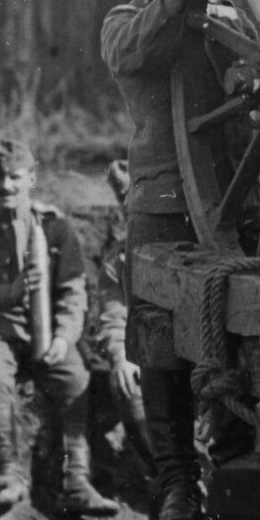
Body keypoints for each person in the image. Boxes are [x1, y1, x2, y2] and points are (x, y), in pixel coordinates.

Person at [101, 0, 257, 520]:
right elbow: (131, 53)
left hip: (233, 199)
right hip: (162, 203)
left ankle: (238, 472)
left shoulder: (231, 15)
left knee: (236, 335)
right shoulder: (126, 20)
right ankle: (177, 482)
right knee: (160, 345)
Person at [0, 137, 118, 518]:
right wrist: (11, 292)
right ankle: (8, 473)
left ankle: (76, 481)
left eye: (14, 177)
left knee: (76, 379)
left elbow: (74, 291)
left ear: (31, 178)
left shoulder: (56, 229)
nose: (6, 186)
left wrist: (64, 337)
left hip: (48, 333)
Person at [89, 159, 155, 473]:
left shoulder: (198, 242)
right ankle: (171, 476)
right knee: (126, 383)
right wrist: (120, 356)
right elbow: (114, 317)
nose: (131, 206)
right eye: (125, 200)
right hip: (155, 357)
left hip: (201, 357)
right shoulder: (118, 262)